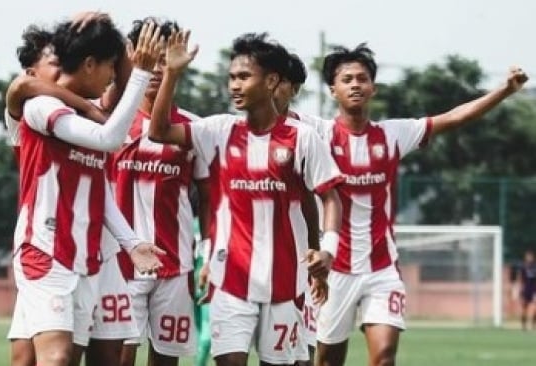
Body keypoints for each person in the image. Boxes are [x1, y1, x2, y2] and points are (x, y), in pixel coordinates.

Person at [313, 43, 529, 366]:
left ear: (373, 87)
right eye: (346, 79)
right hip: (334, 271)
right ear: (333, 90)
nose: (355, 84)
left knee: (384, 357)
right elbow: (273, 113)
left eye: (362, 78)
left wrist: (504, 90)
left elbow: (454, 117)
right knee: (329, 361)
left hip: (382, 268)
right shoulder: (317, 133)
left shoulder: (394, 134)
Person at [148, 30, 344, 366]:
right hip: (230, 280)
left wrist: (327, 251)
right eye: (231, 78)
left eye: (244, 77)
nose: (235, 85)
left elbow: (330, 198)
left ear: (270, 81)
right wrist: (172, 74)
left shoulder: (303, 138)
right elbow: (159, 131)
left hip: (285, 282)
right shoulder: (219, 131)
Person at [8, 17, 166, 366]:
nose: (113, 75)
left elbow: (97, 192)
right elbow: (108, 139)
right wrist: (140, 72)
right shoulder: (41, 108)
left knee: (102, 355)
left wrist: (131, 242)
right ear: (89, 63)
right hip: (47, 249)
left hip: (93, 254)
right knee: (55, 357)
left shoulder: (89, 116)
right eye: (108, 65)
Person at [105, 17, 204, 366]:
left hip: (174, 263)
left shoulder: (192, 129)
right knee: (119, 356)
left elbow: (207, 196)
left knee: (165, 360)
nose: (160, 68)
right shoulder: (108, 123)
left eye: (168, 59)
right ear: (132, 56)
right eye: (153, 58)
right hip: (119, 263)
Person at [272, 53, 322, 366]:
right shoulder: (232, 130)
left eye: (281, 81)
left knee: (305, 349)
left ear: (294, 89)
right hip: (249, 260)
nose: (271, 86)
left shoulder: (313, 131)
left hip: (302, 261)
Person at [516, 249, 536, 330]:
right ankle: (523, 326)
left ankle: (533, 325)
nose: (529, 258)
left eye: (530, 256)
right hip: (526, 289)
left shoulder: (535, 266)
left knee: (535, 308)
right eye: (528, 256)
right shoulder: (523, 267)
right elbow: (520, 279)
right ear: (526, 257)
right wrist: (519, 290)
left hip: (534, 289)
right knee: (524, 307)